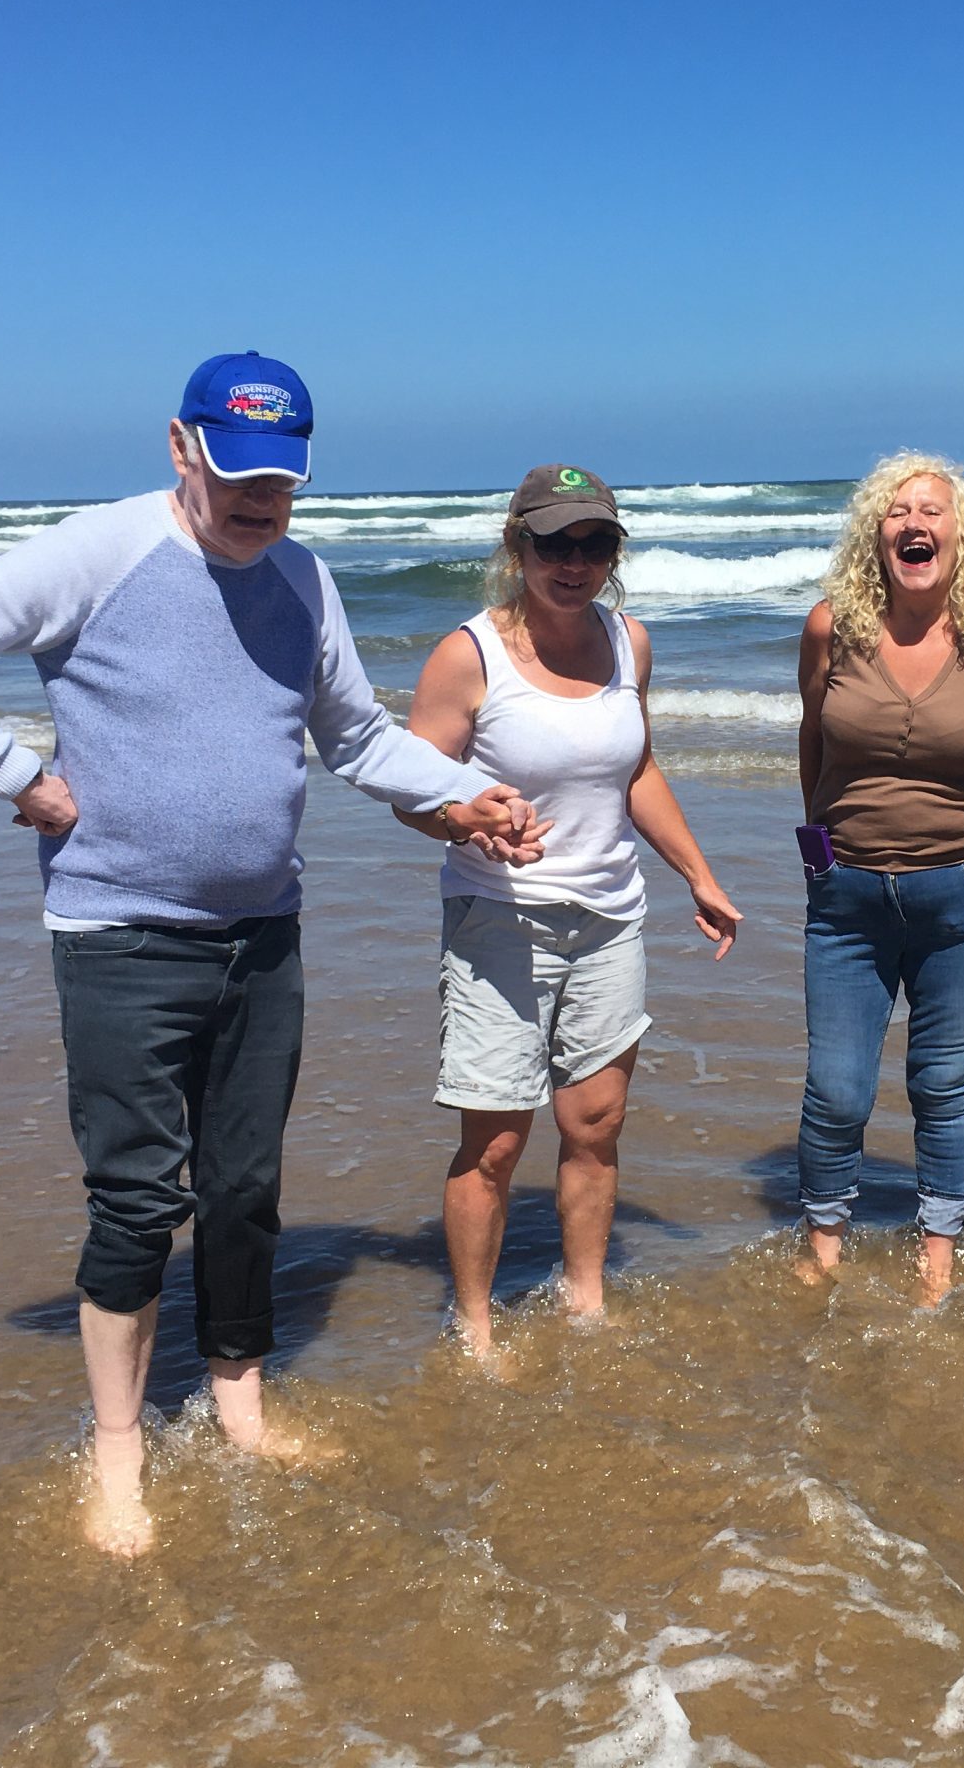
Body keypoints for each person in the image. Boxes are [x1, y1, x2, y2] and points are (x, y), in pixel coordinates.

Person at [0, 351, 539, 1555]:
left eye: (281, 477)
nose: (259, 498)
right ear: (180, 448)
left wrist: (467, 792)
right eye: (235, 472)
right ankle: (117, 1448)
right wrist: (14, 775)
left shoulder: (302, 578)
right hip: (118, 935)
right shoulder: (101, 552)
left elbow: (357, 738)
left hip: (261, 933)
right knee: (133, 1202)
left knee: (244, 1188)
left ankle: (238, 1402)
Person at [396, 465, 741, 1358]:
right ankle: (473, 1328)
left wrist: (696, 874)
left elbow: (636, 772)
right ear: (518, 546)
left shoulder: (631, 642)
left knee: (595, 1126)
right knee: (497, 1143)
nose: (574, 562)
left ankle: (585, 1303)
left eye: (595, 544)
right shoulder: (467, 654)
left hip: (610, 921)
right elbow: (409, 786)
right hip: (498, 924)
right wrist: (464, 818)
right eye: (554, 543)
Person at [793, 452, 964, 1302]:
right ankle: (823, 1252)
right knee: (836, 1090)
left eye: (933, 511)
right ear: (876, 536)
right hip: (849, 900)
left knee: (944, 1085)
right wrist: (818, 860)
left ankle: (936, 1257)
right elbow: (813, 746)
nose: (915, 523)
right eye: (897, 512)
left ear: (960, 534)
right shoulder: (830, 628)